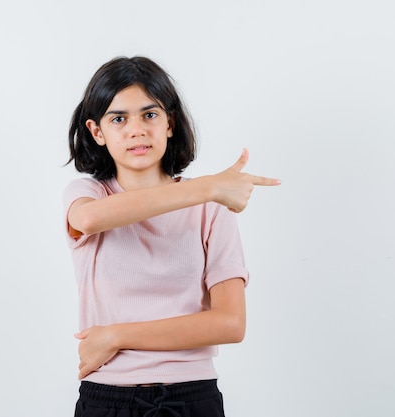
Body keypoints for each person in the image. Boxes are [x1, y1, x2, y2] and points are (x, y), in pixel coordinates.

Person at [63, 56, 281, 417]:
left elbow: (230, 323)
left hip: (192, 397)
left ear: (170, 123)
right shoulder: (88, 194)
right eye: (119, 119)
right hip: (107, 399)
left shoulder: (211, 206)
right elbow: (89, 219)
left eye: (150, 115)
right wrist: (209, 187)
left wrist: (117, 336)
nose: (136, 130)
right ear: (96, 131)